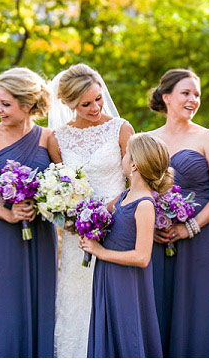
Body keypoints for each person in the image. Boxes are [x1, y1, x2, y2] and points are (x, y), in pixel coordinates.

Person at [0, 67, 62, 357]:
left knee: (38, 301)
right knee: (0, 304)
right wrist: (7, 214)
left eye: (5, 104)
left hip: (40, 233)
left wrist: (44, 202)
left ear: (27, 104)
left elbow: (63, 184)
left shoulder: (48, 137)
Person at [47, 64, 133, 358]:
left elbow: (137, 182)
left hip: (118, 226)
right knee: (78, 297)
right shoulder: (57, 139)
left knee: (114, 296)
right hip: (76, 234)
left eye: (98, 99)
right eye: (86, 104)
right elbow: (56, 188)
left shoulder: (121, 129)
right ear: (68, 104)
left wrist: (105, 209)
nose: (95, 107)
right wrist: (68, 215)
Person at [146, 68, 209, 357]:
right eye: (186, 93)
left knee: (199, 312)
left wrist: (189, 227)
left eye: (197, 95)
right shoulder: (147, 140)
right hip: (157, 240)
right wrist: (150, 223)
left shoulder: (207, 138)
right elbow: (136, 190)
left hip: (202, 240)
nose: (193, 99)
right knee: (161, 307)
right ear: (166, 96)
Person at [80, 133, 170, 358]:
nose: (122, 157)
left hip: (127, 282)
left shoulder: (145, 204)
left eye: (126, 154)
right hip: (108, 275)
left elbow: (142, 257)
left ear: (135, 165)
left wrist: (100, 251)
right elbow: (97, 213)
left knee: (126, 332)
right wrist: (87, 229)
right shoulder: (125, 196)